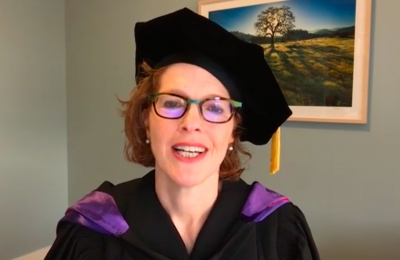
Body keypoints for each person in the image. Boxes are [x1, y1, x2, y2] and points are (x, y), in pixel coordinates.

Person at [44, 7, 320, 260]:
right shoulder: (93, 231)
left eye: (214, 107)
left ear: (233, 130)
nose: (191, 123)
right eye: (173, 103)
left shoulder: (277, 230)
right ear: (145, 120)